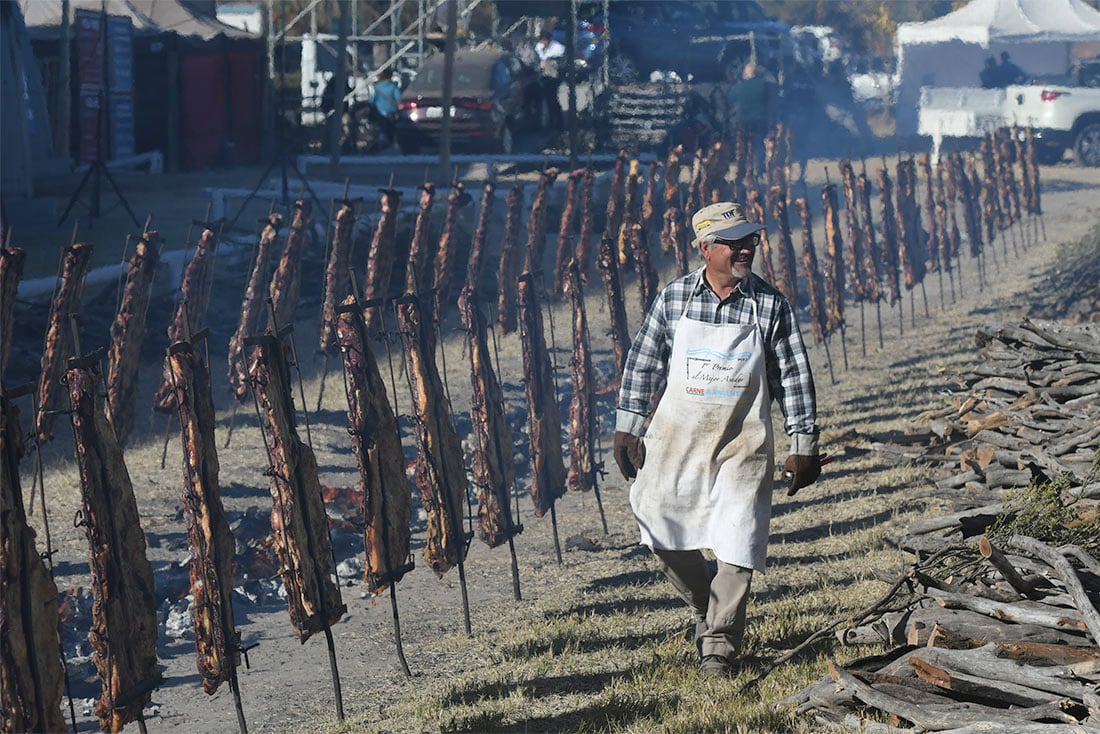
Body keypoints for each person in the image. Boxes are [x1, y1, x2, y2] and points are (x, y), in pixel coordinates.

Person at [613, 201, 822, 676]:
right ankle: (710, 603)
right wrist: (628, 426)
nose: (746, 248)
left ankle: (719, 647)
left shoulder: (769, 304)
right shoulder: (674, 299)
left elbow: (793, 377)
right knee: (657, 521)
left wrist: (803, 446)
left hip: (742, 443)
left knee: (737, 538)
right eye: (733, 242)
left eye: (749, 239)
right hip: (677, 439)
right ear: (705, 248)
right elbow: (644, 362)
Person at [534, 30, 565, 128]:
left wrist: (547, 62)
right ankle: (547, 121)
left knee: (552, 99)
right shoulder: (539, 47)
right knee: (545, 100)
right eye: (541, 40)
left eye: (544, 40)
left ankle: (557, 122)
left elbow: (558, 62)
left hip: (553, 77)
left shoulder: (558, 48)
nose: (543, 42)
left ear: (549, 40)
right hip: (543, 76)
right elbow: (538, 57)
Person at [369, 68, 401, 144]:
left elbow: (372, 100)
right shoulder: (393, 87)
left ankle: (381, 140)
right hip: (391, 111)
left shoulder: (377, 87)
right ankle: (391, 141)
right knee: (391, 128)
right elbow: (398, 99)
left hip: (379, 110)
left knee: (381, 127)